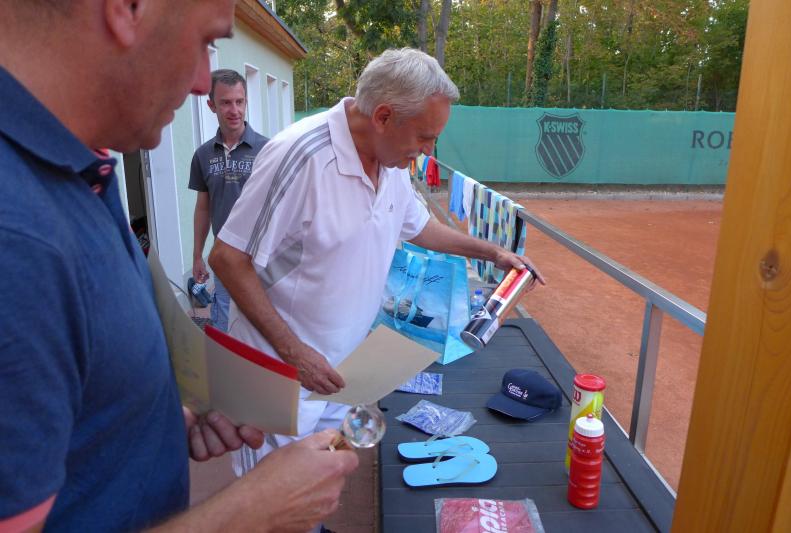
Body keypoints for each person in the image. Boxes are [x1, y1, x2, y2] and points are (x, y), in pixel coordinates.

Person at [0, 1, 357, 532]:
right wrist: (252, 511)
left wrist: (159, 422)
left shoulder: (79, 167)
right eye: (206, 42)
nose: (201, 84)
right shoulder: (17, 236)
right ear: (127, 9)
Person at [209, 47, 545, 476]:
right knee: (269, 493)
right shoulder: (300, 155)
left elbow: (418, 226)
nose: (427, 151)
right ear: (384, 117)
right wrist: (295, 353)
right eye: (424, 137)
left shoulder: (392, 163)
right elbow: (227, 257)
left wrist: (492, 252)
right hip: (278, 373)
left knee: (321, 477)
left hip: (341, 372)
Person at [189, 69, 269, 332]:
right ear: (211, 105)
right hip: (224, 256)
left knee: (262, 326)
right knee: (224, 324)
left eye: (239, 101)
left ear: (246, 102)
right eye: (225, 102)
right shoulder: (202, 155)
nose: (234, 110)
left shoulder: (267, 150)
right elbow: (203, 208)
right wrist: (197, 255)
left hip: (261, 257)